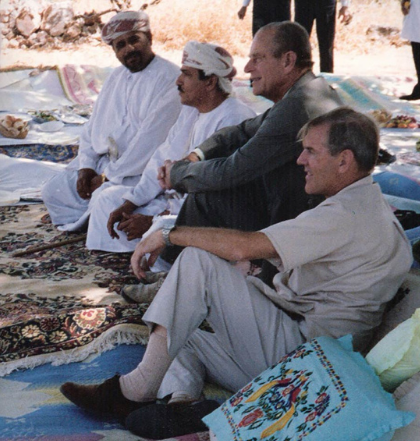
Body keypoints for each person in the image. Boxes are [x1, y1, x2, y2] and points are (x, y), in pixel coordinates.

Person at [59, 107, 413, 439]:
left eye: (310, 151)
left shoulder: (346, 215)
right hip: (305, 353)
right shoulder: (366, 205)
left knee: (196, 263)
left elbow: (246, 246)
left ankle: (135, 390)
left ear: (344, 160)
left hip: (307, 359)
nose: (300, 160)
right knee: (180, 315)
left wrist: (168, 234)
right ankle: (182, 403)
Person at [158, 21, 345, 285]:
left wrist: (178, 173)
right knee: (206, 192)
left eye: (257, 59)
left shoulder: (298, 106)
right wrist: (196, 156)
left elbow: (232, 171)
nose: (247, 68)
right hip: (290, 209)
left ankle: (178, 281)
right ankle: (179, 278)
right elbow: (241, 131)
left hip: (297, 226)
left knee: (206, 195)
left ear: (288, 61)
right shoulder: (308, 91)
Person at [85, 41, 256, 255]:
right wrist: (131, 202)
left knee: (159, 232)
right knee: (107, 199)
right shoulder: (192, 110)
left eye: (186, 74)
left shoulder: (233, 118)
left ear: (210, 82)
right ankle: (143, 251)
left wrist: (153, 220)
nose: (178, 81)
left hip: (205, 217)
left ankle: (154, 255)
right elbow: (162, 157)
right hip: (173, 203)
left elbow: (210, 194)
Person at [40, 11, 181, 229]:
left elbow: (150, 143)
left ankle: (96, 222)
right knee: (53, 190)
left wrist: (107, 177)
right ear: (114, 51)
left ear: (149, 38)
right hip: (107, 165)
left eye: (134, 40)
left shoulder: (169, 78)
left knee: (105, 200)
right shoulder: (116, 76)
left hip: (140, 171)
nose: (129, 49)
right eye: (120, 45)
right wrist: (86, 167)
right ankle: (91, 221)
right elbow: (92, 127)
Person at [293, 0, 352, 73]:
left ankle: (326, 76)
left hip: (326, 3)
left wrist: (345, 5)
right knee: (300, 43)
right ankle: (301, 76)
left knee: (326, 45)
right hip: (303, 3)